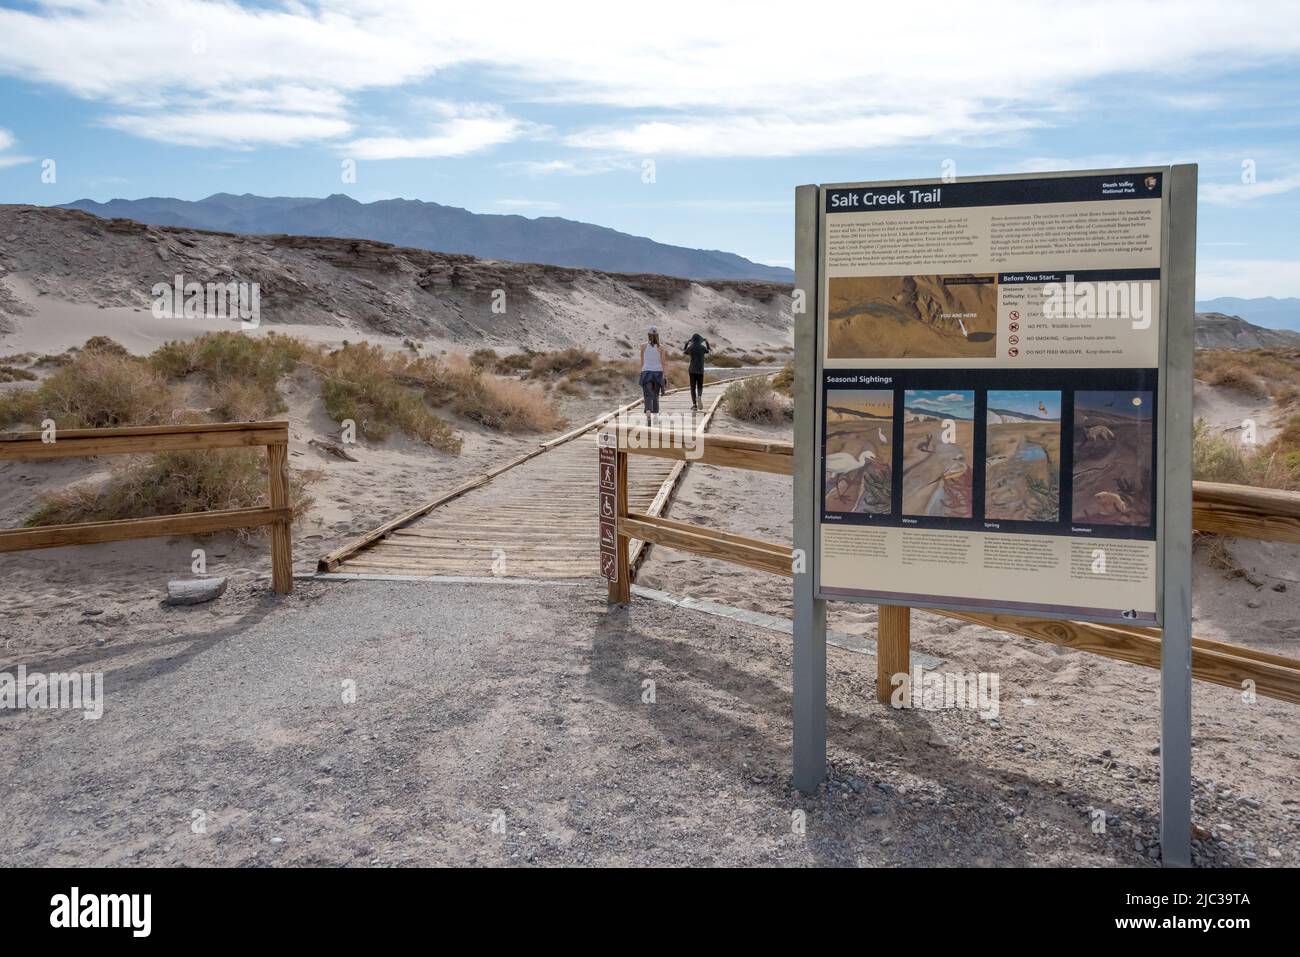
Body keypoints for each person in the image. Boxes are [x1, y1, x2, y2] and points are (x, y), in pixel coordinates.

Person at [639, 327, 665, 424]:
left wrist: (642, 371)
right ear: (657, 335)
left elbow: (642, 361)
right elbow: (663, 363)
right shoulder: (661, 347)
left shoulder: (642, 346)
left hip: (646, 372)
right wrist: (664, 376)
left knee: (647, 395)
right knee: (655, 396)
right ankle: (655, 418)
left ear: (648, 335)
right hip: (658, 373)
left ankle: (648, 412)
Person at [682, 332, 710, 411]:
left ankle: (694, 405)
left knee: (693, 387)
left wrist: (687, 343)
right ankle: (699, 397)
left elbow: (684, 351)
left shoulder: (691, 347)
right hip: (700, 370)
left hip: (692, 370)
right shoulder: (702, 347)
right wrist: (707, 342)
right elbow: (708, 350)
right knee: (700, 386)